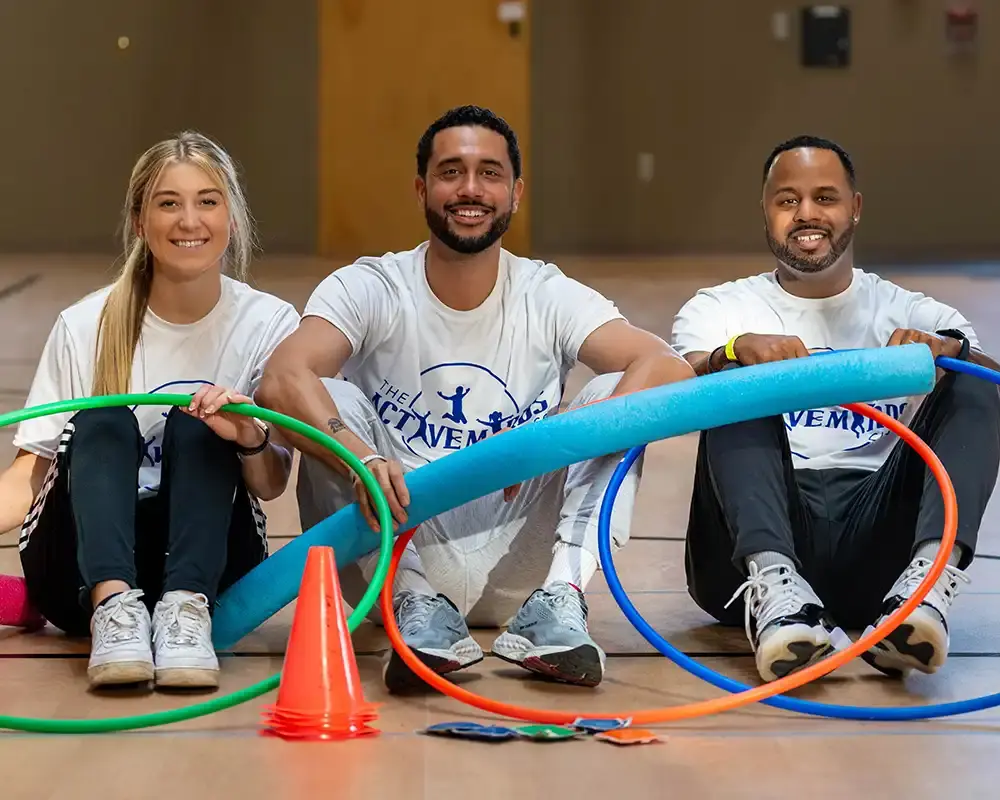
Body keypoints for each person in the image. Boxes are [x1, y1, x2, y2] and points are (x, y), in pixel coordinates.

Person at [256, 105, 695, 692]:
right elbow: (281, 377)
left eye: (489, 173)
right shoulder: (372, 285)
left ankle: (558, 606)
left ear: (515, 193)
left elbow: (666, 365)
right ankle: (414, 607)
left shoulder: (545, 291)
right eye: (450, 172)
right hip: (391, 544)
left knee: (614, 397)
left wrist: (559, 439)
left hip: (520, 557)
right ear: (421, 189)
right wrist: (358, 453)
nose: (470, 189)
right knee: (324, 397)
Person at [670, 134, 1000, 684]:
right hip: (745, 550)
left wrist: (949, 352)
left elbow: (985, 380)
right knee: (734, 380)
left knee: (976, 374)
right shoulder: (720, 308)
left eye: (825, 197)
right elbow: (673, 391)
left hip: (874, 543)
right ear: (766, 210)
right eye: (787, 200)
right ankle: (776, 596)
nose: (806, 214)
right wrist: (731, 353)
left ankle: (921, 594)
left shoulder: (910, 311)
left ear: (855, 208)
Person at [1, 132, 299, 690]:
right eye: (169, 203)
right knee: (103, 419)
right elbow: (29, 478)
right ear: (140, 221)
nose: (190, 220)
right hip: (80, 573)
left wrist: (246, 436)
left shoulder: (270, 323)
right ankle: (116, 610)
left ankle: (184, 611)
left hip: (212, 568)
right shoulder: (85, 324)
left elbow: (272, 482)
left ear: (231, 217)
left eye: (207, 201)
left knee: (203, 421)